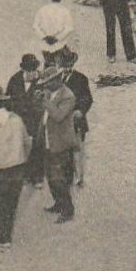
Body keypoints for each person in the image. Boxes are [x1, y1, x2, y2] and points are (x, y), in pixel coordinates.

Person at [0, 85, 30, 248]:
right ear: (3, 102)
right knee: (12, 202)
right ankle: (7, 234)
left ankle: (2, 238)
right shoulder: (16, 118)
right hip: (18, 165)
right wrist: (23, 158)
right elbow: (27, 142)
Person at [39, 67, 78, 223]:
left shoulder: (68, 96)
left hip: (60, 143)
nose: (45, 86)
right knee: (50, 176)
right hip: (48, 140)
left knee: (59, 178)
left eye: (47, 82)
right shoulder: (50, 93)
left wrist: (45, 101)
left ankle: (67, 210)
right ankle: (58, 203)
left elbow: (58, 116)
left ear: (57, 80)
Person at [6, 53, 46, 185]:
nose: (32, 73)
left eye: (34, 69)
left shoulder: (42, 80)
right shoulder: (14, 80)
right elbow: (7, 100)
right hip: (19, 121)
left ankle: (37, 177)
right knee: (20, 147)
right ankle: (23, 175)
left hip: (36, 121)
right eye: (29, 70)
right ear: (23, 69)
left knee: (37, 148)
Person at [58, 48, 93, 188]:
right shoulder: (55, 78)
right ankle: (66, 175)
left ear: (73, 64)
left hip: (76, 120)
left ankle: (79, 177)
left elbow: (87, 98)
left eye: (69, 65)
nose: (67, 67)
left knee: (78, 150)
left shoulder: (81, 78)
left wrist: (81, 110)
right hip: (61, 121)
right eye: (64, 64)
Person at [33, 0, 75, 65]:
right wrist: (57, 38)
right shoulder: (65, 11)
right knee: (61, 65)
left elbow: (35, 27)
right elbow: (69, 28)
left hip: (45, 46)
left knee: (48, 64)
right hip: (59, 45)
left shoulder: (42, 10)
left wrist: (44, 37)